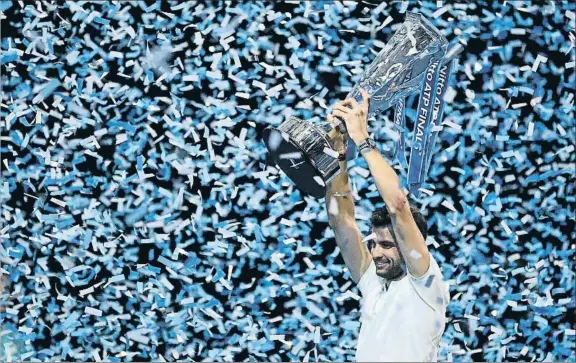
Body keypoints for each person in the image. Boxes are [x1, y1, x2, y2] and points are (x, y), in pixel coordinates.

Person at [325, 89, 450, 362]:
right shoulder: (374, 283)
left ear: (411, 246)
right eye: (374, 243)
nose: (376, 252)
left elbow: (397, 206)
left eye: (387, 245)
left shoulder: (425, 284)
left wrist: (362, 139)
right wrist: (338, 153)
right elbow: (340, 219)